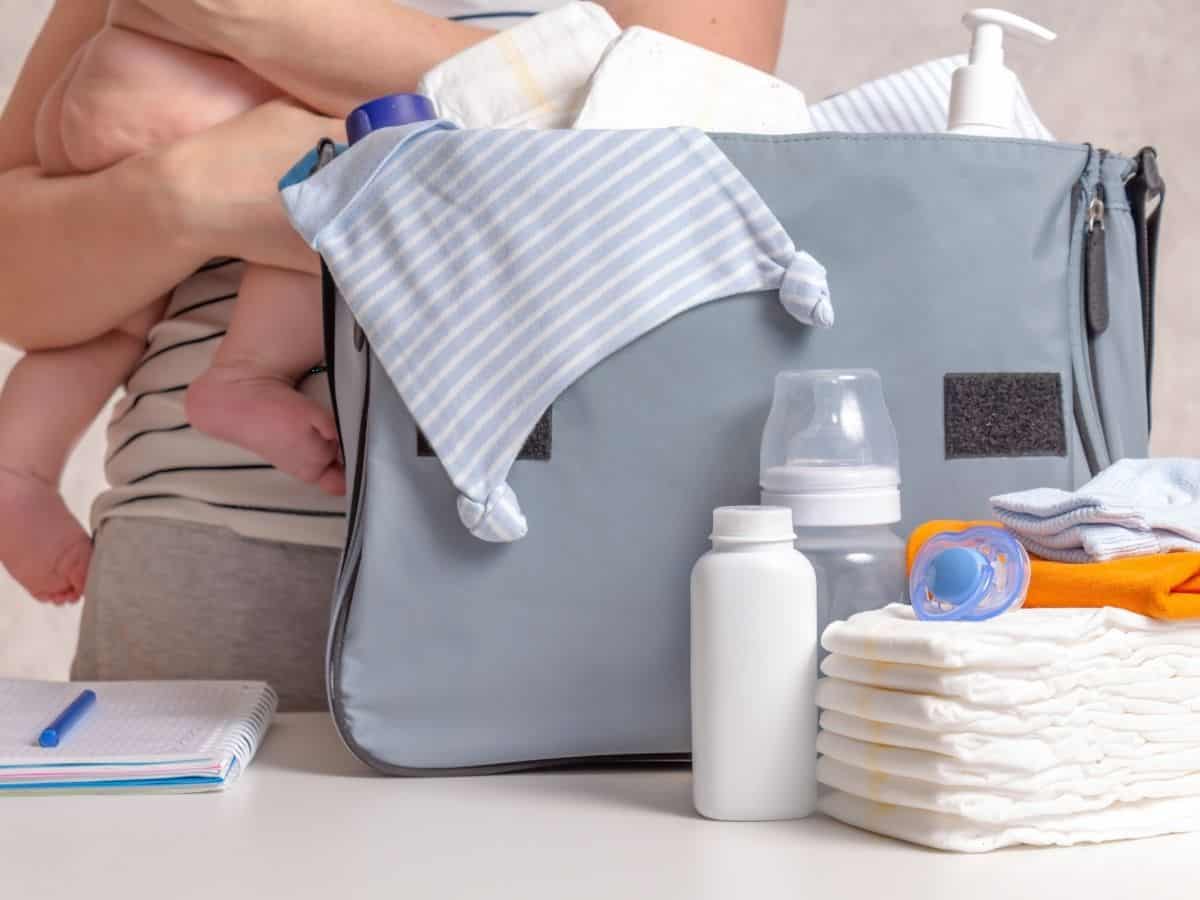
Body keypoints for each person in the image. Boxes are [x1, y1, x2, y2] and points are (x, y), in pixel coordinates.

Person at [0, 0, 787, 710]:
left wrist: (261, 42)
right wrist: (192, 191)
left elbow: (689, 152)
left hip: (538, 550)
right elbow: (45, 222)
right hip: (194, 550)